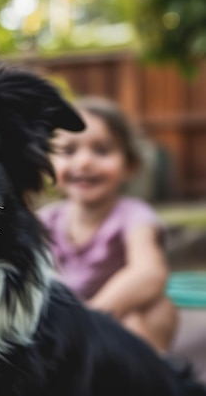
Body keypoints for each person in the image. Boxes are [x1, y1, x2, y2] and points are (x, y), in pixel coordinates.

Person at [38, 96, 177, 353]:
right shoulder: (46, 220)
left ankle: (144, 379)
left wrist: (92, 319)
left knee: (156, 309)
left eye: (102, 150)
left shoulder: (134, 215)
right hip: (65, 325)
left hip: (115, 320)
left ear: (129, 165)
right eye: (69, 151)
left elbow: (149, 273)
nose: (84, 162)